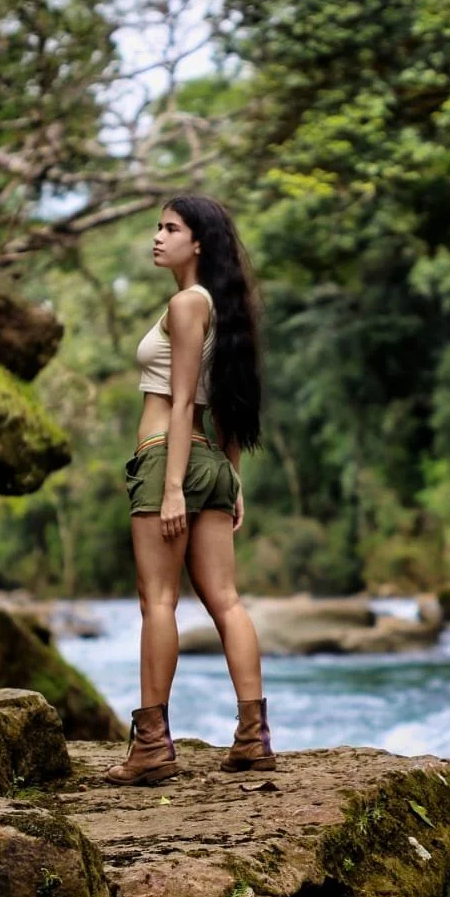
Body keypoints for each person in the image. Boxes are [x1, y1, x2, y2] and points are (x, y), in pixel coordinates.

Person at [104, 194, 276, 784]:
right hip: (211, 461)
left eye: (169, 228)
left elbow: (180, 404)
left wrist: (173, 486)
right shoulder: (224, 307)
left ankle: (151, 746)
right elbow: (227, 404)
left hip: (166, 460)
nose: (157, 237)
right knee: (227, 602)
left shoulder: (185, 304)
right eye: (156, 226)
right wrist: (231, 479)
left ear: (197, 242)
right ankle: (253, 737)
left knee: (158, 601)